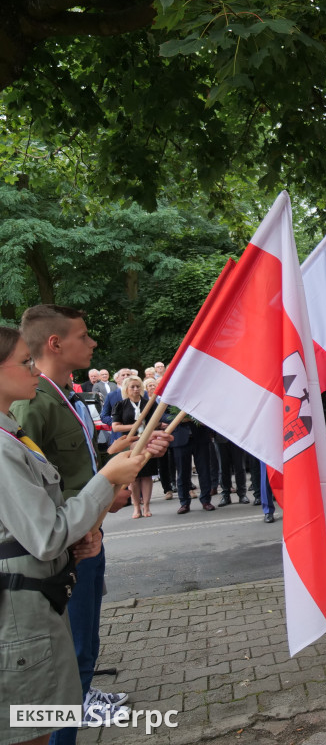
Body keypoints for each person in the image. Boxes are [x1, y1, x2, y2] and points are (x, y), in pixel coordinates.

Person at [9, 306, 170, 740]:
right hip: (64, 549)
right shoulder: (30, 404)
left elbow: (63, 471)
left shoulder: (64, 394)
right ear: (55, 343)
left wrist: (121, 457)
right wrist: (104, 489)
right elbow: (34, 500)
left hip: (84, 535)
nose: (93, 342)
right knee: (69, 661)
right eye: (83, 335)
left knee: (79, 652)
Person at [110, 375, 160, 518]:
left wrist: (149, 426)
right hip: (130, 443)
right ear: (126, 389)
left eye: (138, 386)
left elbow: (157, 421)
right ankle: (136, 507)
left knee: (146, 475)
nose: (136, 389)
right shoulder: (120, 405)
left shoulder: (149, 403)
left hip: (146, 442)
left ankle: (146, 507)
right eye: (132, 387)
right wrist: (134, 425)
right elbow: (115, 427)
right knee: (133, 477)